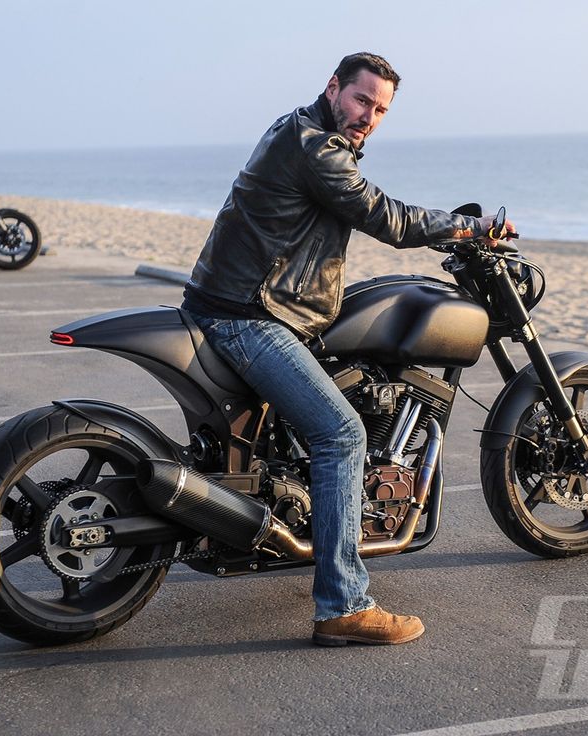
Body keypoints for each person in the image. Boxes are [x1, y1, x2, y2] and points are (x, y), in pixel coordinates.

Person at [182, 52, 514, 646]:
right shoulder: (317, 148)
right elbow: (388, 219)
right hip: (250, 316)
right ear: (333, 88)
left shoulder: (295, 129)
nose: (369, 116)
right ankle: (342, 605)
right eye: (362, 100)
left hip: (244, 302)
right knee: (342, 434)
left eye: (382, 109)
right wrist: (471, 227)